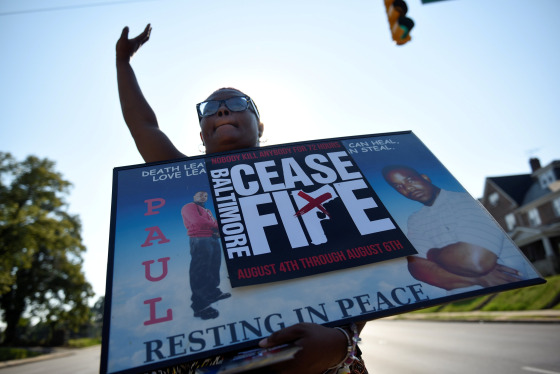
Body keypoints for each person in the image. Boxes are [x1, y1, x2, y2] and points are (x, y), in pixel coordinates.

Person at [116, 24, 367, 374]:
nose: (221, 111)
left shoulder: (307, 177)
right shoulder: (181, 180)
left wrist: (341, 342)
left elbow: (359, 263)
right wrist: (122, 62)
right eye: (210, 108)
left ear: (260, 126)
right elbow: (144, 126)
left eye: (236, 103)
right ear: (201, 133)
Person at [381, 165, 524, 293]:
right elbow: (417, 269)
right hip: (467, 305)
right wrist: (479, 280)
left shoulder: (465, 202)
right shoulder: (415, 220)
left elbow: (475, 261)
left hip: (518, 287)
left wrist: (433, 254)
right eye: (399, 187)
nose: (408, 188)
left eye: (410, 180)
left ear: (425, 178)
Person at [181, 191, 231, 320]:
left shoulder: (206, 210)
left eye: (205, 196)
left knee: (214, 266)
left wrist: (218, 231)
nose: (203, 197)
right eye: (200, 195)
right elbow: (197, 221)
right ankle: (200, 305)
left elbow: (210, 221)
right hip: (199, 238)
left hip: (212, 238)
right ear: (194, 196)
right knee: (201, 269)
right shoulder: (189, 207)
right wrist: (217, 226)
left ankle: (212, 293)